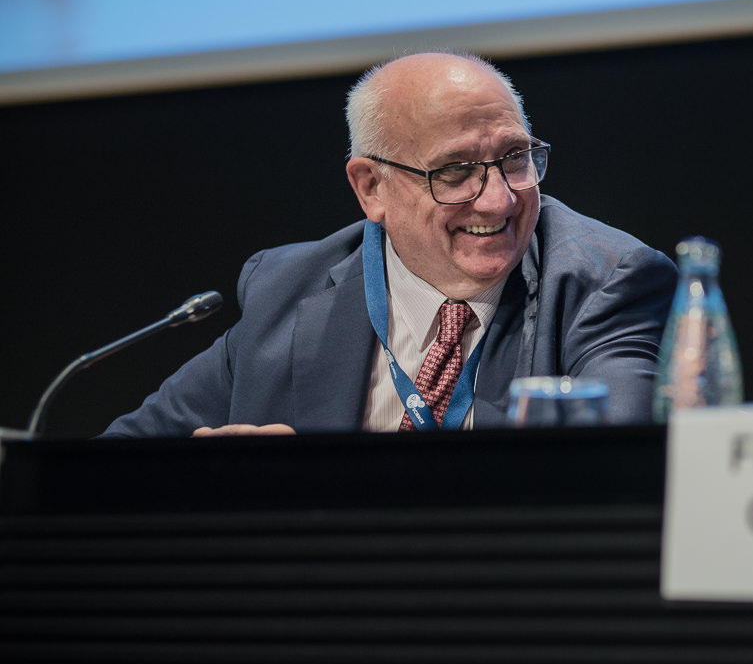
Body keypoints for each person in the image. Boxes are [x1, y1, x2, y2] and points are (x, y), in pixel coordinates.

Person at [101, 51, 679, 437]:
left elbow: (614, 466)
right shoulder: (287, 293)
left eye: (515, 158)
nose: (499, 199)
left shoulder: (605, 283)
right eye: (455, 171)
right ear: (371, 187)